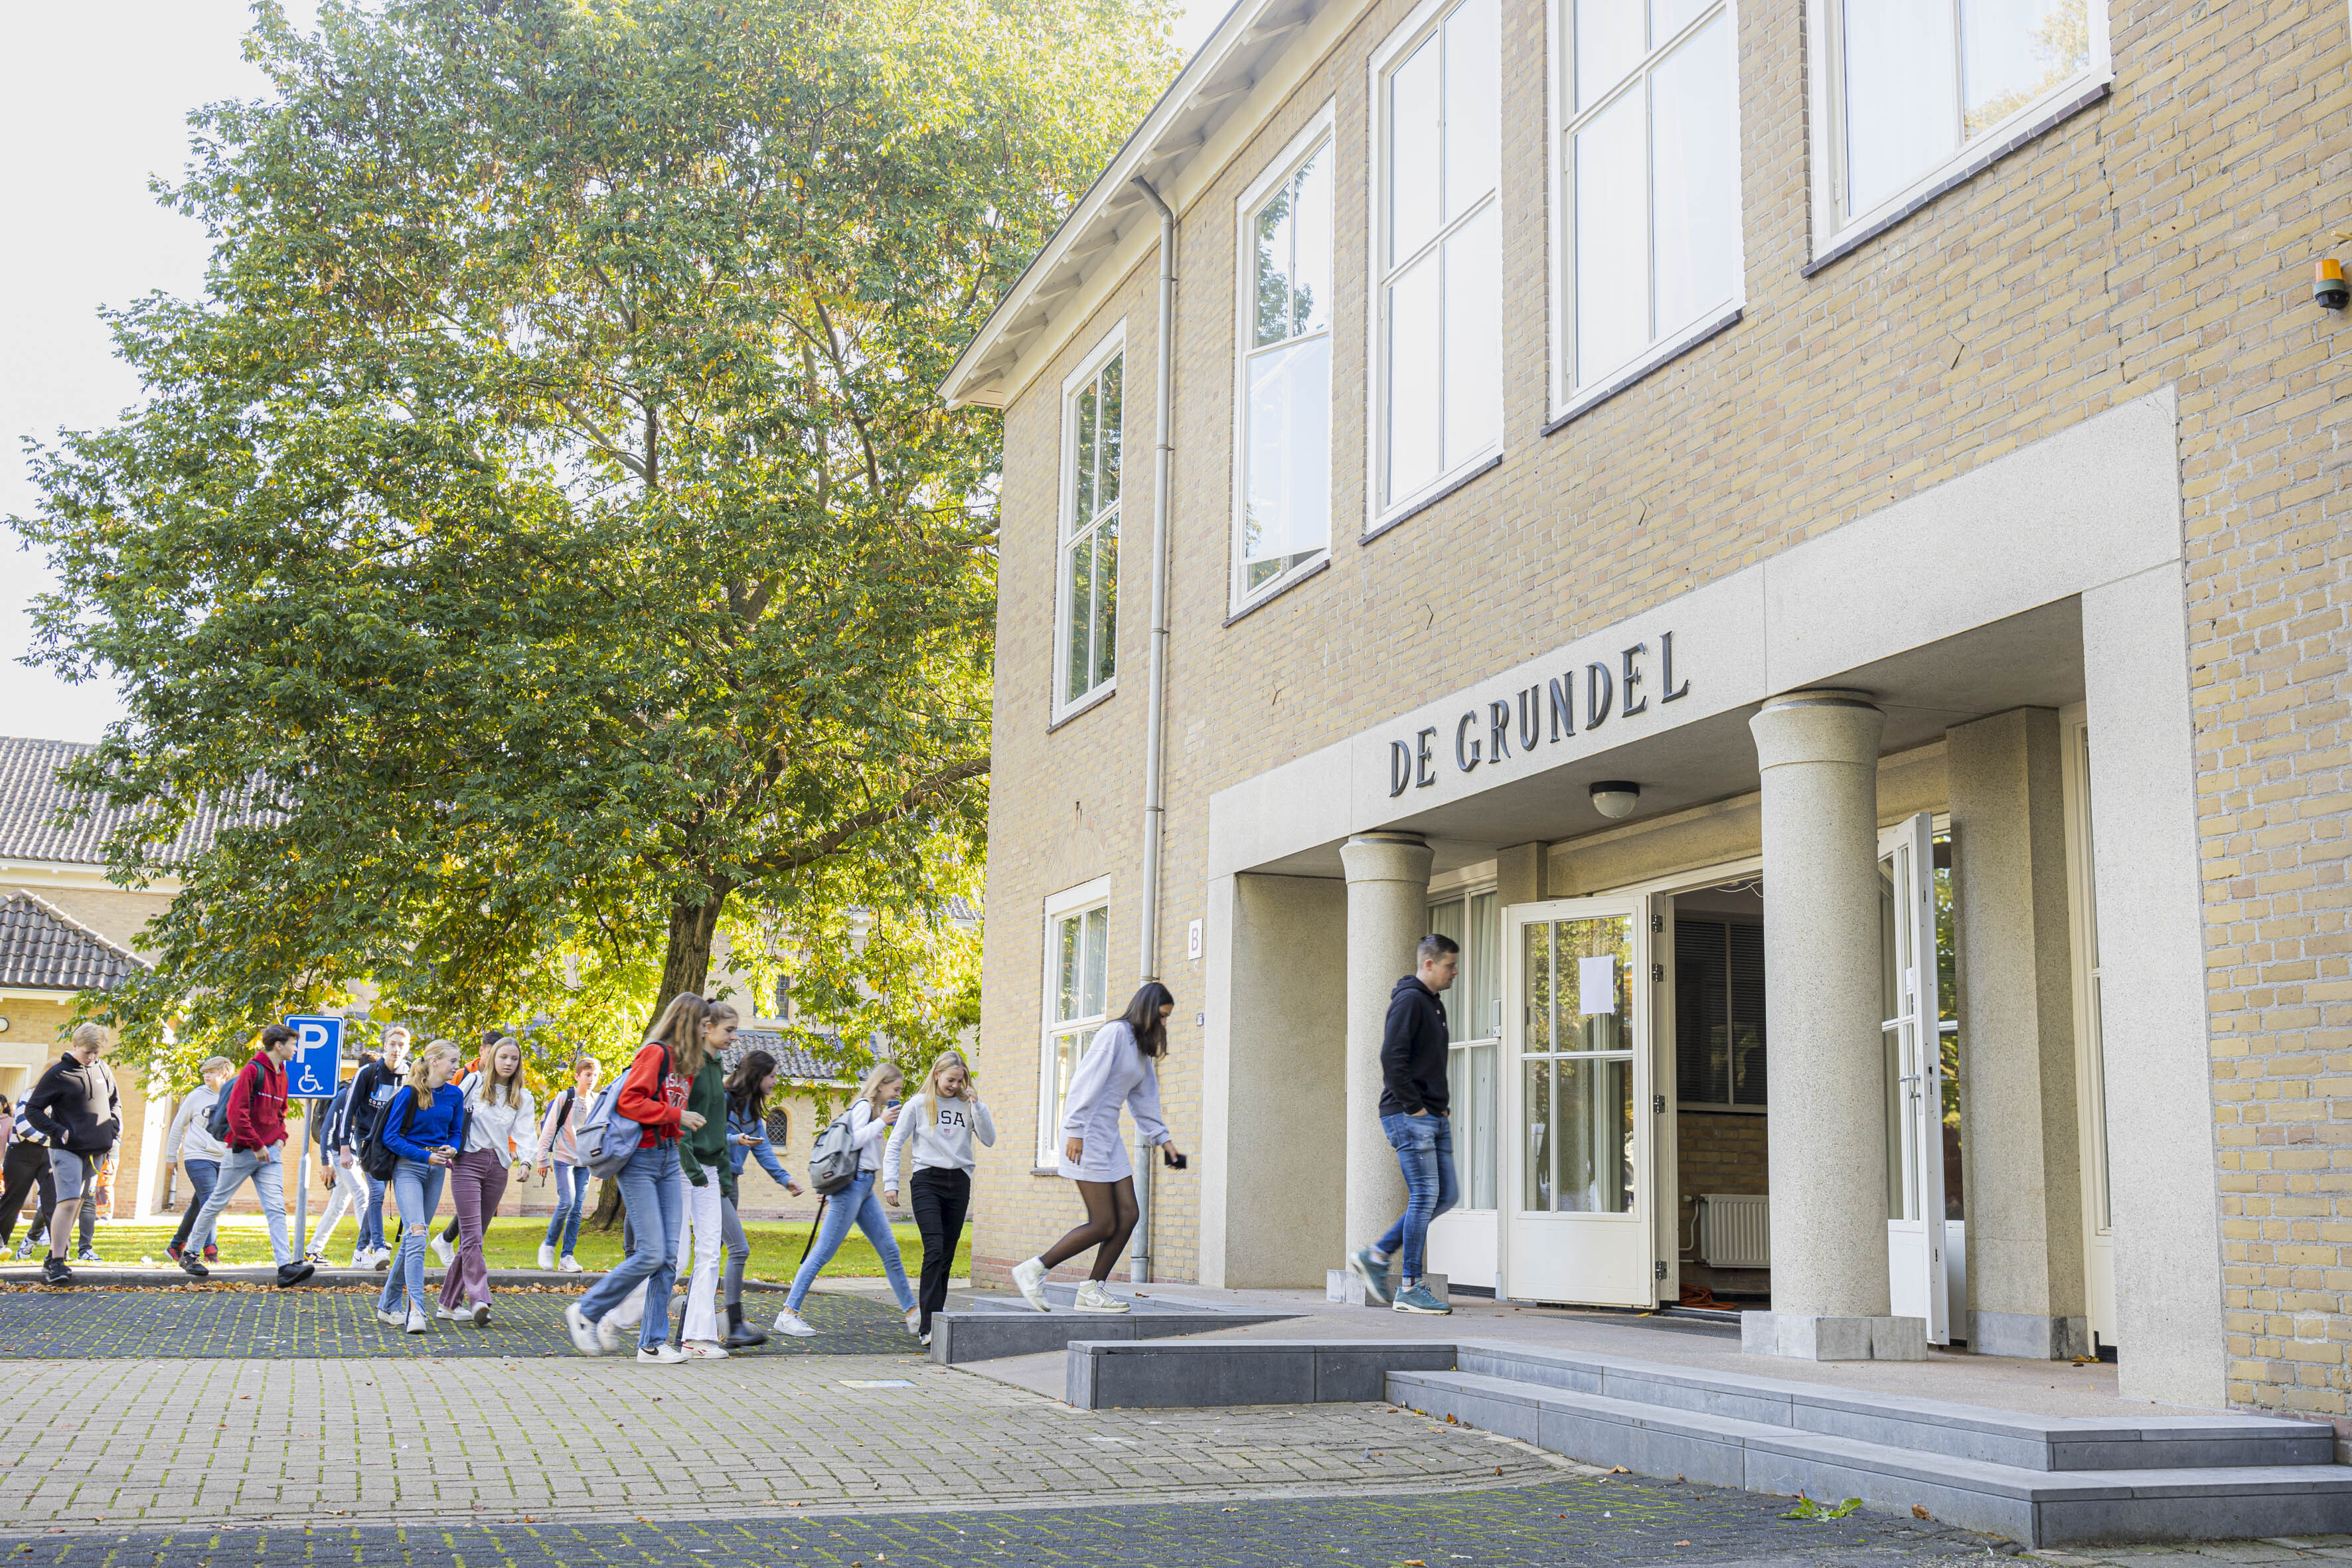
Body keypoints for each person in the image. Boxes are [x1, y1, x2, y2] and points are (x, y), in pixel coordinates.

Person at [1011, 982, 1184, 1315]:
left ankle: (1092, 1289)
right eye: (1162, 1017)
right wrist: (1074, 1128)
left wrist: (1165, 1140)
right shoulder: (1116, 1034)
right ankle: (1034, 1269)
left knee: (1130, 1214)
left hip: (1108, 1136)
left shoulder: (1140, 1048)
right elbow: (1083, 1081)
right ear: (1147, 1010)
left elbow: (1145, 1100)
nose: (1164, 1024)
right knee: (1104, 1222)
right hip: (1085, 1132)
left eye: (1167, 1019)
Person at [560, 992, 712, 1364]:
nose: (707, 1029)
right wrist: (678, 1118)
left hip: (668, 1159)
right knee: (651, 1252)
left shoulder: (688, 1064)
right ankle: (587, 1311)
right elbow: (631, 1102)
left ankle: (652, 1344)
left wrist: (679, 1126)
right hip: (640, 1160)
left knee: (669, 1259)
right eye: (704, 1023)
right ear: (687, 1021)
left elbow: (670, 1111)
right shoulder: (656, 1053)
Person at [1348, 932, 1460, 1316]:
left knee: (1444, 1196)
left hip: (1431, 1116)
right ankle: (1409, 1286)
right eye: (1449, 965)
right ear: (1429, 964)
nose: (1454, 972)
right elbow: (1391, 1059)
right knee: (1426, 1195)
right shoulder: (1411, 1001)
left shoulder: (1433, 1004)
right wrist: (1415, 1108)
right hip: (1409, 1115)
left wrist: (1438, 1111)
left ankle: (1376, 1254)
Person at [771, 1064, 918, 1340]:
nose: (897, 1094)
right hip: (852, 1186)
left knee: (890, 1250)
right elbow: (852, 1142)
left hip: (864, 1187)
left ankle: (912, 1313)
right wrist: (881, 1121)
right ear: (881, 1085)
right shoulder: (864, 1107)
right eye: (895, 1089)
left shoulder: (873, 1112)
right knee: (822, 1252)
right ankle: (788, 1315)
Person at [177, 1023, 317, 1288]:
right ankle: (191, 1254)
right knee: (217, 1201)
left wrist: (280, 1139)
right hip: (243, 1151)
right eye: (293, 1044)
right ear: (279, 1045)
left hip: (270, 1154)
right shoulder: (253, 1071)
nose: (296, 1049)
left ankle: (285, 1267)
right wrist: (256, 1145)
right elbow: (236, 1113)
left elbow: (281, 1112)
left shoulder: (282, 1074)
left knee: (276, 1208)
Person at [884, 1048, 993, 1345]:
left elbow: (989, 1139)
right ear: (937, 1074)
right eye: (951, 1080)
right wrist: (890, 1183)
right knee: (934, 1248)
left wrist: (978, 1105)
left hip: (958, 1182)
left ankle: (937, 1319)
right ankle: (928, 1326)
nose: (955, 1086)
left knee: (946, 1253)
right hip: (926, 1182)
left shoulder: (968, 1105)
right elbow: (895, 1144)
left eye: (960, 1081)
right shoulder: (918, 1104)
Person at [433, 1036, 536, 1326]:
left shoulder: (522, 1097)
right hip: (467, 1162)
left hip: (498, 1169)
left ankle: (448, 1303)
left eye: (514, 1059)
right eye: (503, 1057)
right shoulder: (473, 1084)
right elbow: (450, 1111)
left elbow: (527, 1133)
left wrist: (526, 1162)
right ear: (493, 1059)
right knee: (472, 1236)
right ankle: (479, 1298)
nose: (508, 1063)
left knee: (472, 1239)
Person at [373, 1040, 466, 1334]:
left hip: (437, 1171)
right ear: (434, 1062)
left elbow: (455, 1132)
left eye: (458, 1061)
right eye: (452, 1061)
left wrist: (451, 1149)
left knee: (416, 1240)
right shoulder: (410, 1093)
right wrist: (425, 1156)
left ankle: (387, 1306)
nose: (456, 1066)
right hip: (409, 1168)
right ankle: (417, 1310)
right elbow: (391, 1138)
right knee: (417, 1233)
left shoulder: (455, 1094)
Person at [23, 1023, 123, 1287]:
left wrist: (114, 1129)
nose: (92, 1057)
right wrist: (59, 1131)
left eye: (97, 1052)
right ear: (76, 1045)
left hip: (97, 1149)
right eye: (88, 1052)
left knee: (79, 1203)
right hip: (66, 1149)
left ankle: (58, 1253)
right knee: (68, 1201)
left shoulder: (103, 1069)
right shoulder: (58, 1074)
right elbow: (32, 1110)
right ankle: (56, 1261)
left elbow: (114, 1102)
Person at [718, 1050, 803, 1349]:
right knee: (738, 1250)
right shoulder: (724, 1099)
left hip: (732, 1183)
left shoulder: (751, 1111)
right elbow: (708, 1136)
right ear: (757, 1076)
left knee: (711, 1257)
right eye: (772, 1076)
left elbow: (764, 1149)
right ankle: (735, 1326)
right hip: (712, 1182)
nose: (775, 1082)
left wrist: (786, 1180)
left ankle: (694, 1321)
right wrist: (735, 1139)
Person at [670, 1020, 736, 1360]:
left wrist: (722, 1173)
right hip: (685, 1166)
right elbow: (677, 1118)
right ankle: (620, 1313)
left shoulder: (718, 1068)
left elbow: (717, 1125)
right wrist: (692, 1165)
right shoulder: (687, 1065)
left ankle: (698, 1336)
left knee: (711, 1251)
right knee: (678, 1255)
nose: (733, 1036)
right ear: (708, 1028)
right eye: (728, 1029)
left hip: (708, 1168)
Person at [163, 1057, 236, 1268]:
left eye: (212, 1071)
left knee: (199, 1204)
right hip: (198, 1157)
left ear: (224, 1074)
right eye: (205, 1071)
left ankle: (175, 1246)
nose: (206, 1075)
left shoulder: (232, 1096)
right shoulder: (196, 1096)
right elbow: (178, 1126)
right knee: (211, 1200)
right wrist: (170, 1157)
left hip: (223, 1159)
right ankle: (210, 1250)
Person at [347, 1030, 410, 1269]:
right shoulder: (368, 1072)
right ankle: (380, 1246)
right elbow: (349, 1110)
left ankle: (360, 1251)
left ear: (406, 1049)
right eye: (392, 1044)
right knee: (377, 1193)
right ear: (385, 1045)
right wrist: (345, 1146)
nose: (396, 1049)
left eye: (401, 1045)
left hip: (395, 1144)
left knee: (379, 1194)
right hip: (368, 1144)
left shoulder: (411, 1073)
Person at [532, 1055, 599, 1271]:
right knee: (567, 1202)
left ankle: (567, 1257)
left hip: (585, 1164)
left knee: (577, 1210)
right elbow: (549, 1128)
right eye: (588, 1075)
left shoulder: (597, 1102)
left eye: (596, 1075)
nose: (592, 1079)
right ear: (577, 1076)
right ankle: (548, 1245)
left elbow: (598, 1135)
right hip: (563, 1159)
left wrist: (598, 1164)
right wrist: (542, 1158)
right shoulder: (566, 1098)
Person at [307, 1059, 372, 1264]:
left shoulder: (366, 1094)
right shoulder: (345, 1094)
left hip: (353, 1155)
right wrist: (325, 1162)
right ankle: (366, 1250)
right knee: (363, 1194)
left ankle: (313, 1250)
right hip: (339, 1155)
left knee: (337, 1206)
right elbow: (327, 1129)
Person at [0, 1097, 52, 1259]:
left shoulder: (63, 1099)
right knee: (12, 1202)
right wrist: (57, 1137)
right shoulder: (29, 1096)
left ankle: (53, 1251)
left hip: (49, 1153)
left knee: (54, 1199)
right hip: (22, 1153)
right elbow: (24, 1128)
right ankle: (1, 1244)